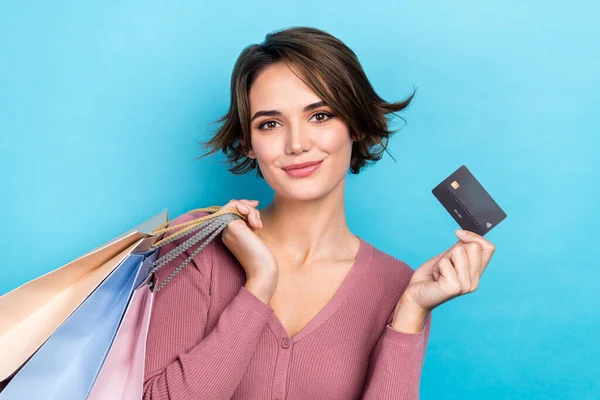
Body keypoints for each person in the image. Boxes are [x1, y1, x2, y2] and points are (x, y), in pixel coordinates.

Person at [143, 26, 496, 400]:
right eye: (270, 124)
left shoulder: (397, 286)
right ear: (248, 144)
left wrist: (410, 313)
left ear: (356, 125)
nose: (297, 144)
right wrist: (259, 284)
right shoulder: (196, 245)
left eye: (320, 116)